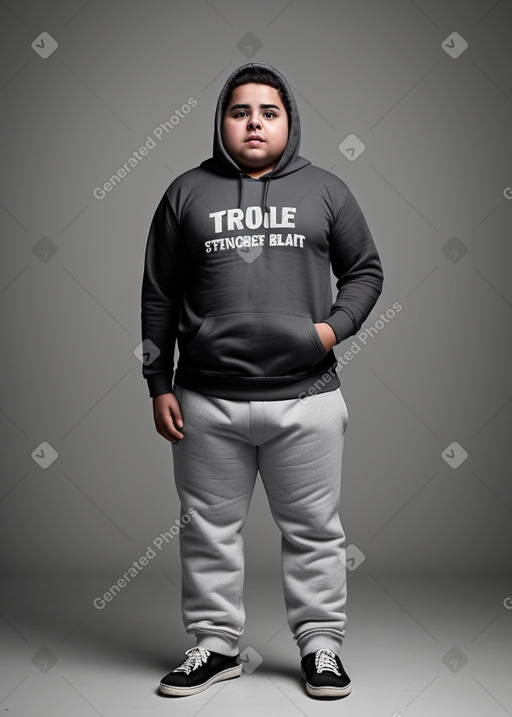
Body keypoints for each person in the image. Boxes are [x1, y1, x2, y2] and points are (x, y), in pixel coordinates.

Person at [140, 62, 383, 699]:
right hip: (205, 399)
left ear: (289, 122)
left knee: (315, 530)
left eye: (268, 112)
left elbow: (366, 273)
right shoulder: (186, 192)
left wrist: (328, 332)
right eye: (240, 111)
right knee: (207, 528)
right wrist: (157, 382)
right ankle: (215, 646)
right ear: (222, 122)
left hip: (308, 398)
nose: (254, 123)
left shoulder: (326, 190)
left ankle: (321, 648)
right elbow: (158, 295)